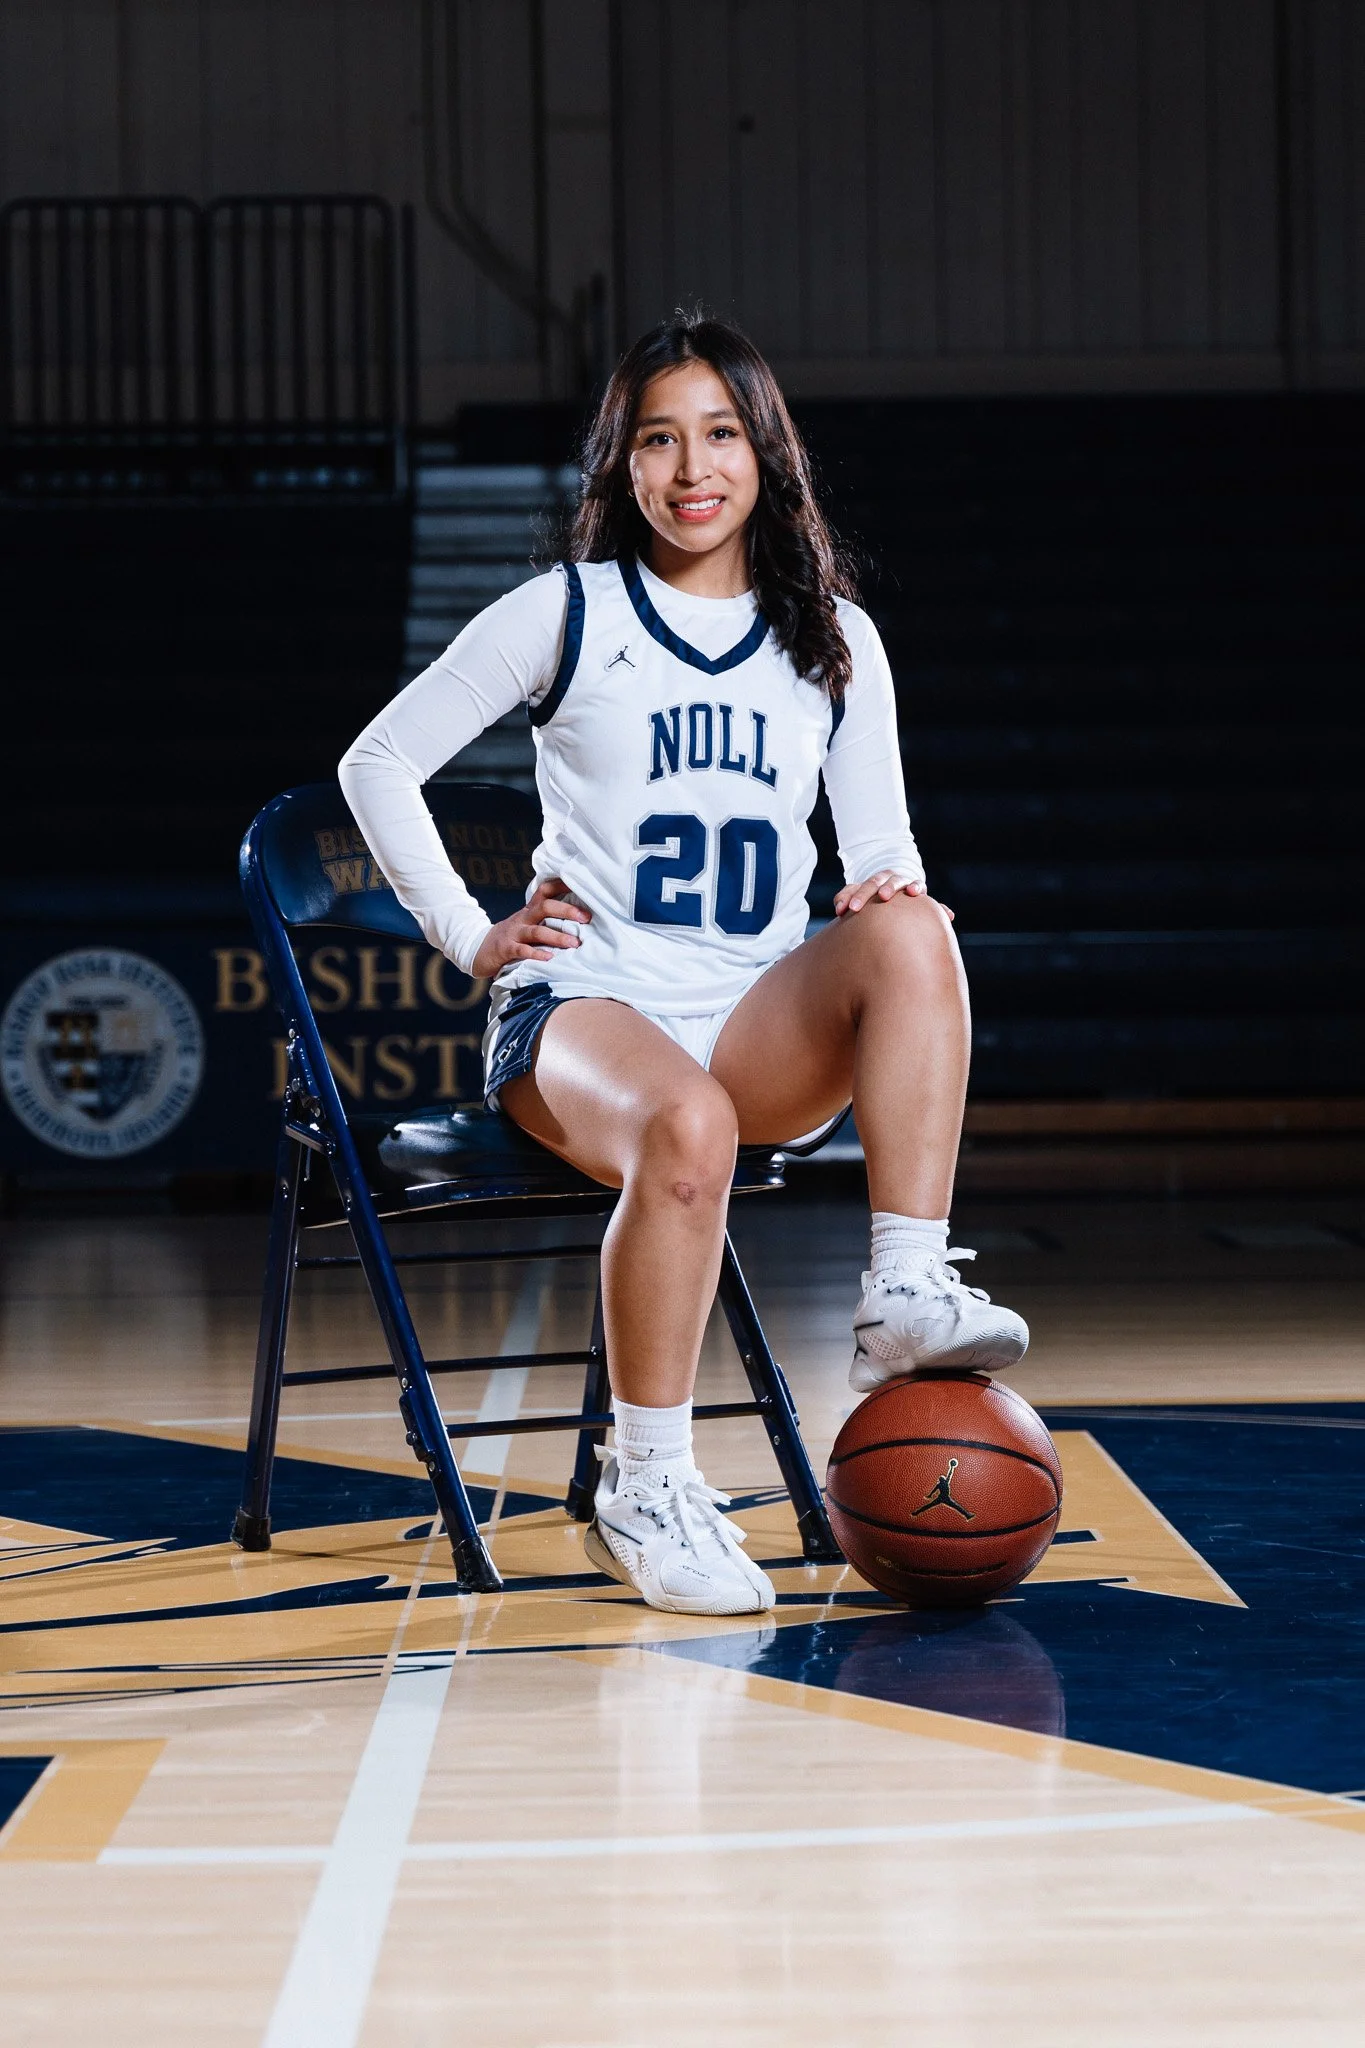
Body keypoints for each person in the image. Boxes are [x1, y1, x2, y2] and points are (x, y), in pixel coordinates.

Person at [339, 312, 1028, 1619]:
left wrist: (880, 885)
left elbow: (880, 847)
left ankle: (905, 1284)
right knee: (687, 1121)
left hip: (749, 1018)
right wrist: (465, 931)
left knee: (917, 929)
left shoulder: (832, 637)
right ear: (621, 463)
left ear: (767, 454)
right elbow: (376, 762)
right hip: (581, 1016)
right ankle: (643, 1482)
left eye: (719, 433)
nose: (690, 465)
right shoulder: (567, 613)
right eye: (658, 438)